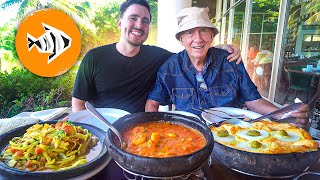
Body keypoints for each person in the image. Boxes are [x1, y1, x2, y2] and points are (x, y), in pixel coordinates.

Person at [145, 7, 309, 127]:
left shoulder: (230, 60)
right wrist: (155, 130)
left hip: (233, 133)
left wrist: (282, 113)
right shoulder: (169, 68)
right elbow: (152, 104)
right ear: (181, 39)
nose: (198, 39)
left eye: (203, 31)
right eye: (189, 33)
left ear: (211, 36)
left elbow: (253, 101)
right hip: (190, 136)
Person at [71, 0, 242, 114]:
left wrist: (218, 48)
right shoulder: (94, 58)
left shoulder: (157, 56)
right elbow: (78, 104)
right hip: (103, 130)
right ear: (120, 22)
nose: (139, 25)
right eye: (133, 18)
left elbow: (191, 53)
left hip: (138, 131)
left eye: (145, 21)